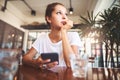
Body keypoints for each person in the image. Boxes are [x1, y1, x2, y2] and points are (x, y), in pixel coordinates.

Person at [23, 2, 81, 69]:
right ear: (49, 19)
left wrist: (64, 31)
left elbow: (71, 64)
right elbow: (25, 59)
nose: (64, 17)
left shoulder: (73, 35)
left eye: (66, 14)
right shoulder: (42, 38)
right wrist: (35, 63)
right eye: (59, 13)